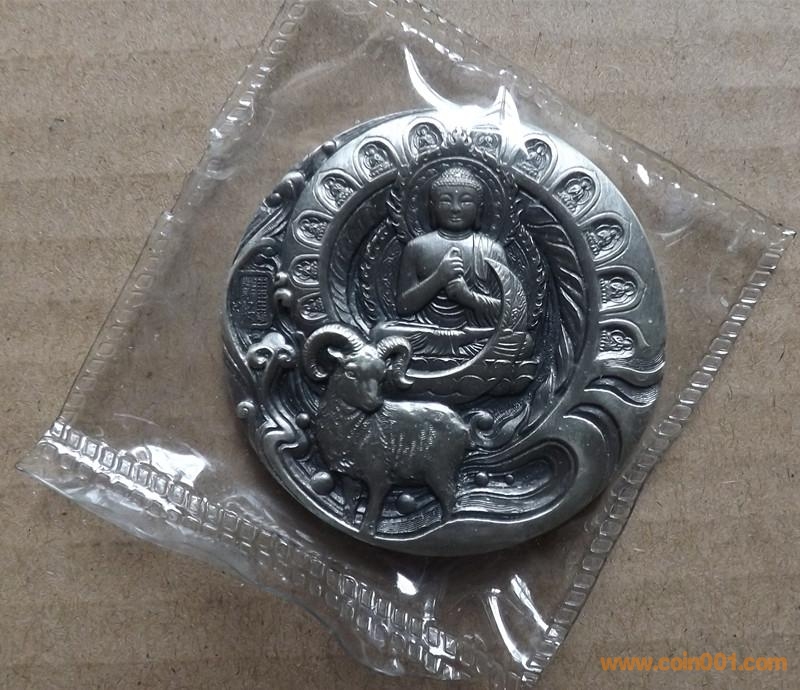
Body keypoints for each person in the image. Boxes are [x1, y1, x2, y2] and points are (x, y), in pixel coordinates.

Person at [373, 166, 513, 360]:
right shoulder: (417, 247)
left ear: (479, 208)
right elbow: (403, 307)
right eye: (446, 200)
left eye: (465, 201)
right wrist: (439, 277)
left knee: (523, 341)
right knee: (380, 332)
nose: (455, 208)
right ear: (432, 207)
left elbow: (509, 310)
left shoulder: (491, 249)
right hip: (428, 332)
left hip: (475, 335)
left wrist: (468, 297)